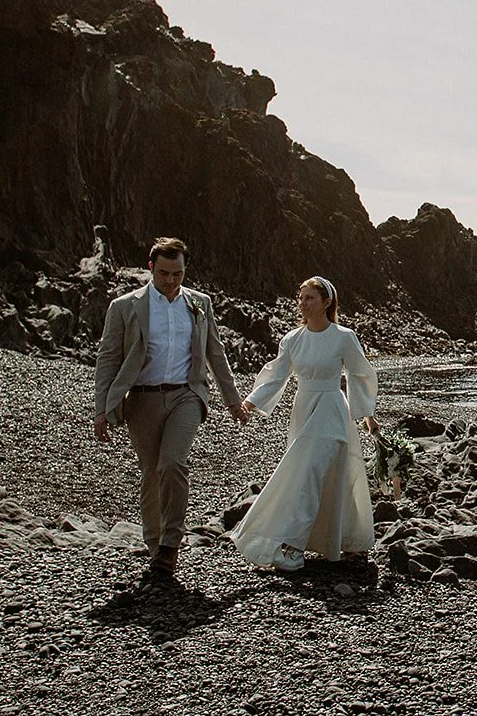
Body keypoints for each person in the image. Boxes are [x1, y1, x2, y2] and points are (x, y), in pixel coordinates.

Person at [94, 236, 247, 582]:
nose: (171, 280)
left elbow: (215, 354)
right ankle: (154, 545)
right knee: (151, 472)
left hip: (186, 395)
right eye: (164, 273)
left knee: (173, 462)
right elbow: (107, 359)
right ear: (151, 268)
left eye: (178, 273)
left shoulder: (200, 304)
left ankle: (170, 544)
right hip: (142, 398)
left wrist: (233, 400)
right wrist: (102, 409)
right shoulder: (125, 306)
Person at [230, 275, 380, 571]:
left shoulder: (343, 336)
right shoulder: (292, 339)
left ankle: (294, 547)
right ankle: (315, 540)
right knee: (306, 475)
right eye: (301, 297)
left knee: (311, 474)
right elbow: (276, 375)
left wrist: (367, 416)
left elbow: (360, 374)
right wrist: (250, 402)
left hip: (332, 409)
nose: (303, 303)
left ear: (327, 302)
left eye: (310, 298)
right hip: (304, 409)